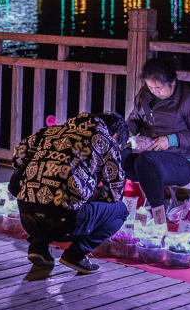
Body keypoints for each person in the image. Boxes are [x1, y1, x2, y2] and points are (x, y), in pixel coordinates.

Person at [9, 112, 129, 273]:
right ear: (115, 136)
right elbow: (114, 195)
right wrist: (91, 191)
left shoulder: (51, 131)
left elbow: (18, 156)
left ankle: (38, 247)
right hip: (62, 223)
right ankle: (77, 254)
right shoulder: (105, 140)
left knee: (47, 196)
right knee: (120, 211)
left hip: (26, 217)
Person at [124, 57, 190, 225]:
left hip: (181, 162)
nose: (154, 91)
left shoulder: (189, 101)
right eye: (150, 87)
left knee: (146, 161)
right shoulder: (145, 94)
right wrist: (127, 135)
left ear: (172, 82)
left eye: (159, 88)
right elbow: (134, 119)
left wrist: (171, 140)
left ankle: (158, 217)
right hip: (148, 155)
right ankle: (114, 210)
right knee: (117, 154)